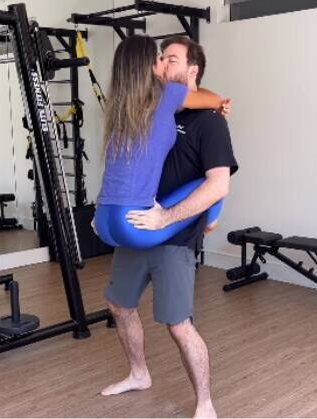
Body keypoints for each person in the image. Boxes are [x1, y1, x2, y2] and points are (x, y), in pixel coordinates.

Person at [97, 35, 236, 419]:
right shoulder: (146, 106)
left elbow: (218, 184)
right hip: (137, 223)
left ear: (192, 70)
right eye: (161, 58)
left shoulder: (210, 122)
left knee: (178, 325)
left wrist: (174, 217)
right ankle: (139, 374)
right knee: (119, 306)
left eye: (171, 58)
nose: (164, 63)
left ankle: (205, 403)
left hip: (171, 235)